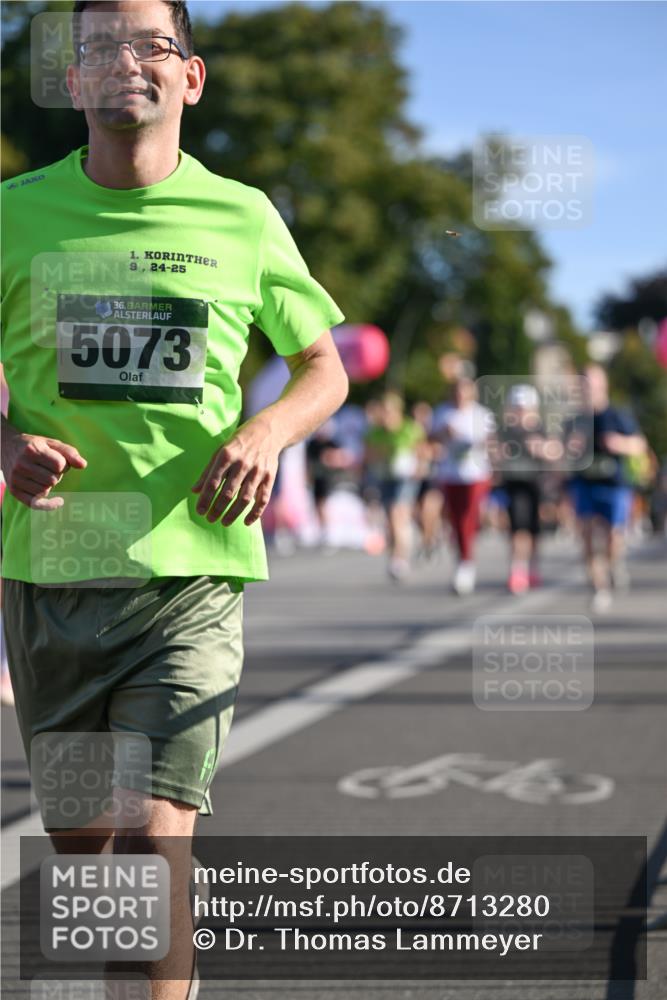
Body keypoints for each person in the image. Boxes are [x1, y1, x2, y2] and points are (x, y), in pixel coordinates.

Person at [0, 3, 348, 998]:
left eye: (151, 44)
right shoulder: (12, 212)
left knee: (159, 838)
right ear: (73, 82)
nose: (125, 63)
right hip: (53, 569)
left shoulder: (242, 215)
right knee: (84, 850)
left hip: (190, 574)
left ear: (190, 77)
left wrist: (265, 429)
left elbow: (323, 364)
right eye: (99, 48)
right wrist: (8, 443)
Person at [567, 364, 646, 613]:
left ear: (603, 385)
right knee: (588, 537)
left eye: (592, 383)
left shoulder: (617, 415)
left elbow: (640, 445)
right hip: (585, 484)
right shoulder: (575, 421)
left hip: (614, 485)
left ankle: (613, 565)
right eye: (584, 384)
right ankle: (599, 588)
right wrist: (569, 449)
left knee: (613, 537)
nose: (588, 389)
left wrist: (619, 443)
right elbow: (560, 454)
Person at [496, 383, 562, 594]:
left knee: (535, 531)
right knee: (518, 528)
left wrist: (542, 449)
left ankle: (533, 567)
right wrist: (499, 455)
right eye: (517, 408)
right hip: (515, 486)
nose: (520, 412)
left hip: (538, 485)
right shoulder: (506, 432)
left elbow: (557, 452)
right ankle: (517, 570)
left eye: (524, 408)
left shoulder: (541, 429)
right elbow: (492, 454)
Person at [431, 377, 495, 595]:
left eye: (464, 391)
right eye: (457, 391)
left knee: (469, 516)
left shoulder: (481, 414)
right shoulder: (443, 412)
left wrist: (470, 440)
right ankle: (463, 560)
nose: (460, 395)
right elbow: (432, 438)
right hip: (450, 473)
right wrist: (444, 434)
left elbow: (490, 441)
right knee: (456, 519)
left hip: (475, 474)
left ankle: (467, 562)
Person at [364, 392, 424, 580]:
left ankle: (399, 559)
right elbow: (368, 456)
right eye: (384, 411)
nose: (386, 415)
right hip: (385, 477)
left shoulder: (409, 428)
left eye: (390, 411)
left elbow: (422, 451)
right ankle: (398, 552)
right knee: (391, 520)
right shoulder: (375, 432)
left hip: (406, 478)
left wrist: (419, 468)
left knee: (397, 513)